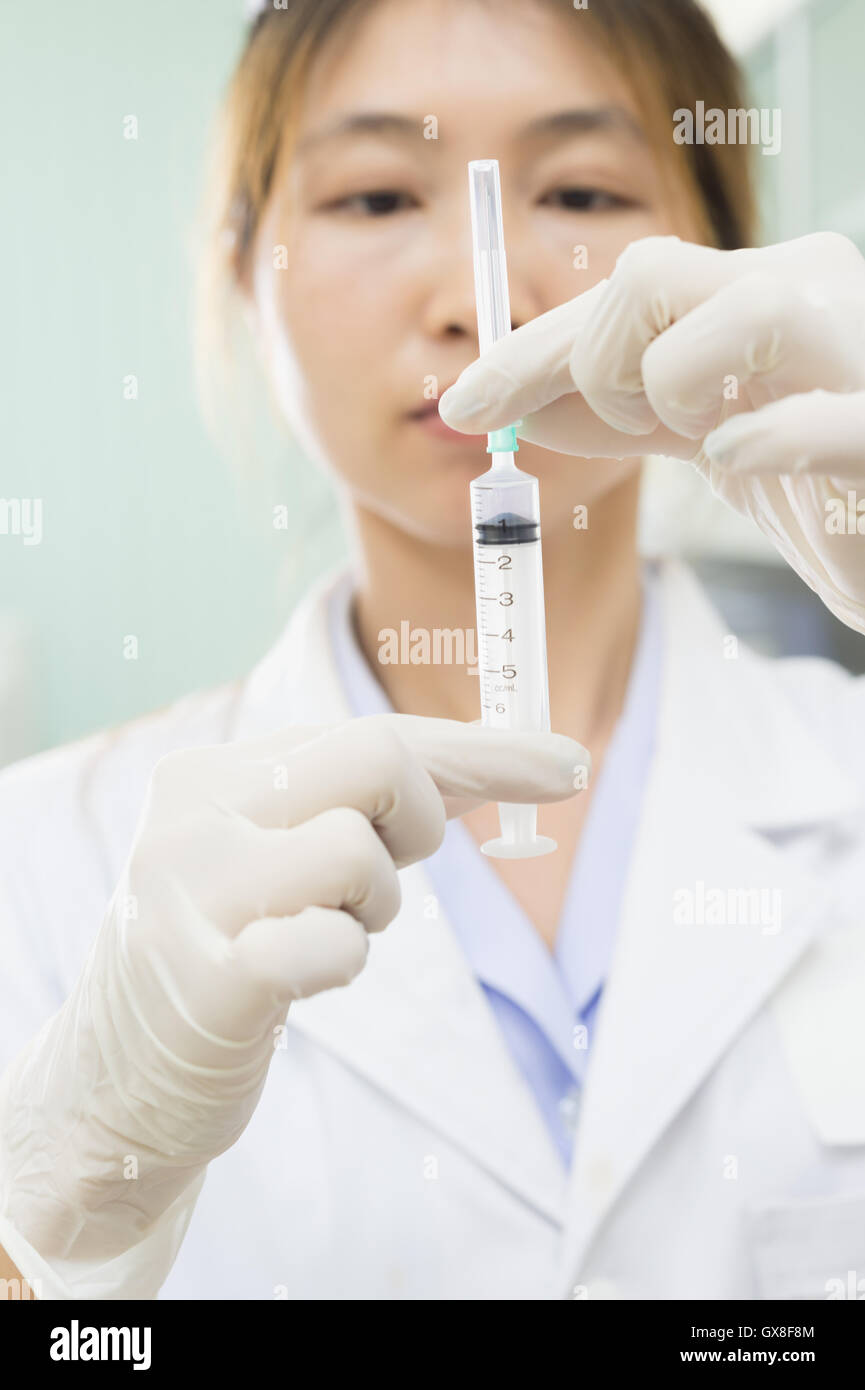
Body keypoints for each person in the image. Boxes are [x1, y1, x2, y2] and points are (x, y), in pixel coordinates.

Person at [2, 0, 865, 1301]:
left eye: (578, 187)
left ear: (720, 254)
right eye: (369, 199)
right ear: (243, 269)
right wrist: (65, 1205)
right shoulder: (43, 866)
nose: (482, 300)